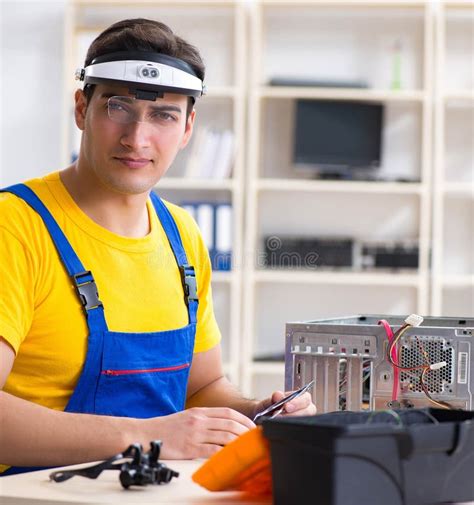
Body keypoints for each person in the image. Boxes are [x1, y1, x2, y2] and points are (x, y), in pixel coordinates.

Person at [0, 18, 316, 474]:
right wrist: (147, 436)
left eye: (163, 115)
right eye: (118, 107)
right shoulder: (16, 226)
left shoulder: (182, 235)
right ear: (81, 108)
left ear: (188, 128)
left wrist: (250, 415)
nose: (137, 138)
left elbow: (201, 387)